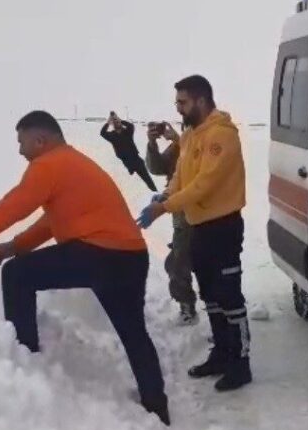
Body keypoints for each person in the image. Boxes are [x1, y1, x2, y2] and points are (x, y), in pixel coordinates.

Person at [0, 110, 170, 425]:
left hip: (99, 253)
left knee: (17, 274)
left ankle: (23, 363)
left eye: (22, 143)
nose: (20, 151)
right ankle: (157, 407)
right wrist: (17, 246)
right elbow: (54, 219)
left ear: (39, 139)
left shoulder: (47, 165)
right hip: (130, 256)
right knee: (133, 333)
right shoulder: (73, 163)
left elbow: (8, 210)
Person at [137, 75, 251, 392]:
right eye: (177, 102)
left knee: (229, 295)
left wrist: (166, 207)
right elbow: (181, 178)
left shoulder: (221, 136)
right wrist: (165, 196)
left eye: (183, 102)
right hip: (198, 227)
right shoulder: (189, 136)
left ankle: (241, 363)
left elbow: (204, 184)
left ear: (201, 101)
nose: (178, 108)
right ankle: (221, 353)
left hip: (223, 226)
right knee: (211, 294)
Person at [146, 120, 198, 326]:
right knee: (177, 263)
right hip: (181, 217)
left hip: (203, 215)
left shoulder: (202, 143)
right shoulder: (178, 146)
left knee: (181, 263)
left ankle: (210, 308)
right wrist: (152, 143)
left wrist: (179, 140)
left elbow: (199, 168)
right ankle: (188, 304)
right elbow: (156, 166)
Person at [100, 111, 157, 192]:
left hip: (137, 160)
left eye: (117, 121)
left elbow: (130, 126)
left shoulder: (127, 132)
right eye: (114, 122)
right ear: (112, 124)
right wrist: (108, 122)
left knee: (148, 180)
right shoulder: (112, 135)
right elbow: (102, 133)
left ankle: (155, 192)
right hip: (127, 163)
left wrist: (120, 120)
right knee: (135, 184)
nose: (116, 122)